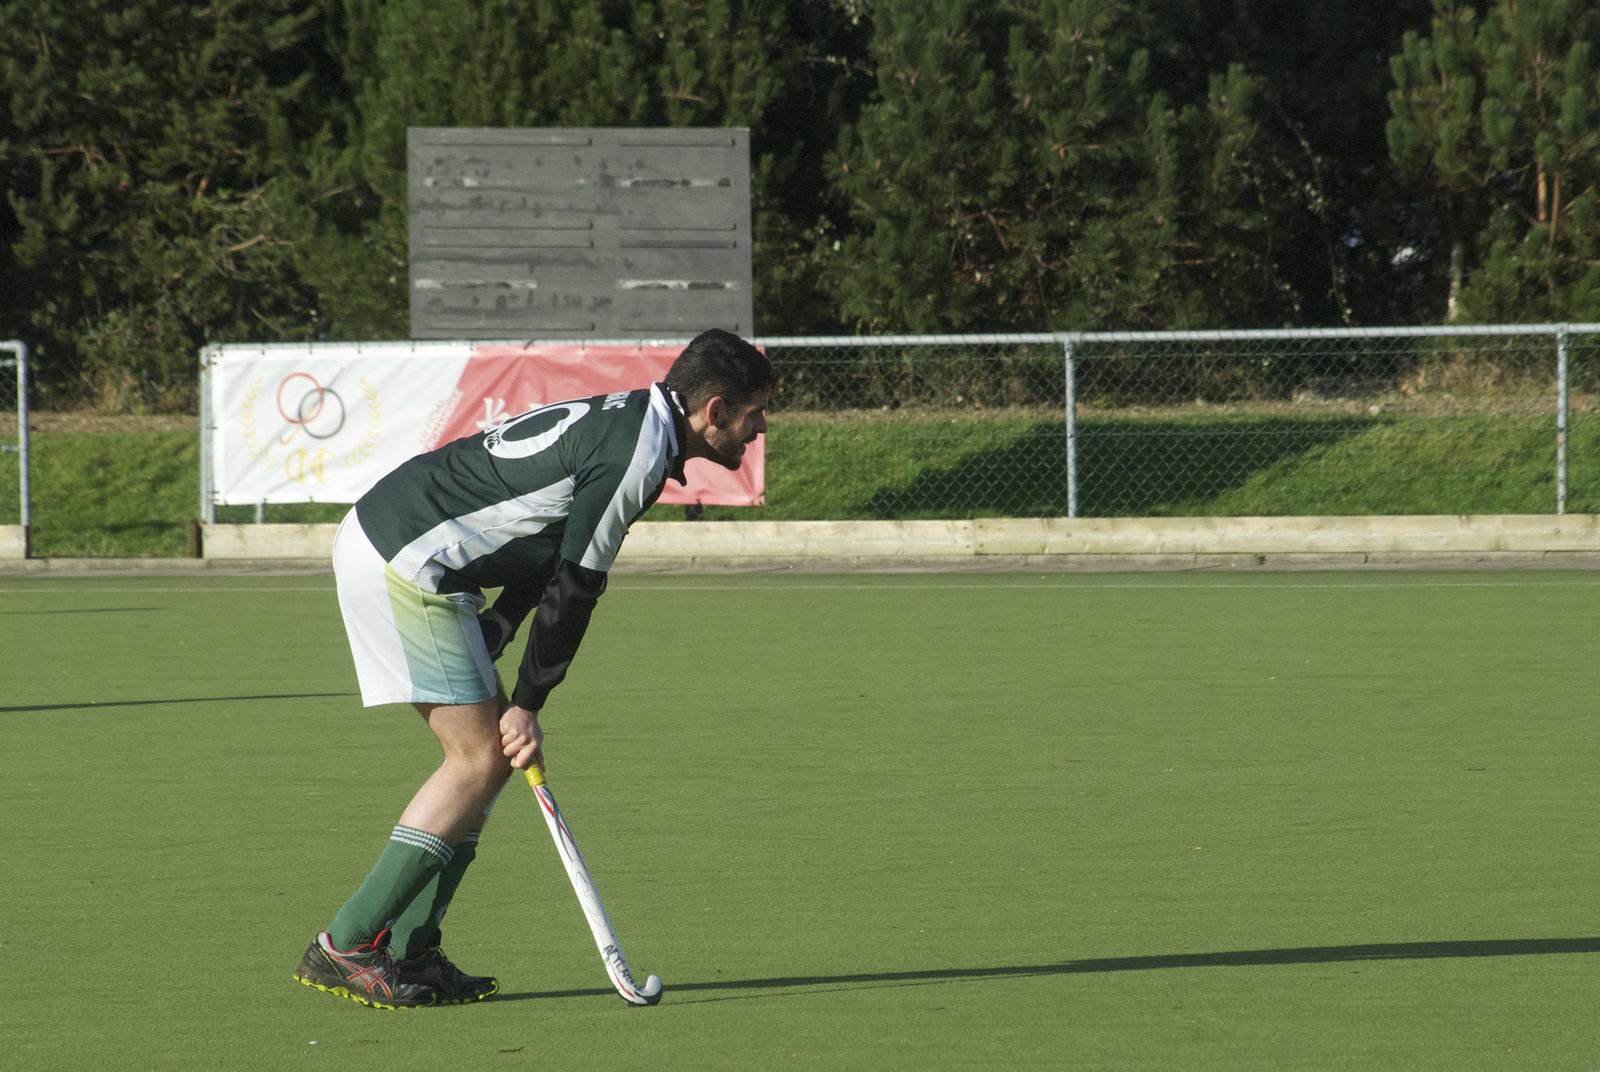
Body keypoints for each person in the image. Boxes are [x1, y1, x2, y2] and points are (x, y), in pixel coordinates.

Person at [293, 328, 774, 1008]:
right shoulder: (636, 451)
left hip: (402, 541)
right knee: (479, 761)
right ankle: (346, 944)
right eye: (756, 414)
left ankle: (411, 950)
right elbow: (577, 584)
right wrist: (529, 701)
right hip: (405, 558)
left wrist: (498, 627)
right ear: (716, 409)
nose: (760, 429)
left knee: (484, 762)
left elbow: (549, 549)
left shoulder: (636, 420)